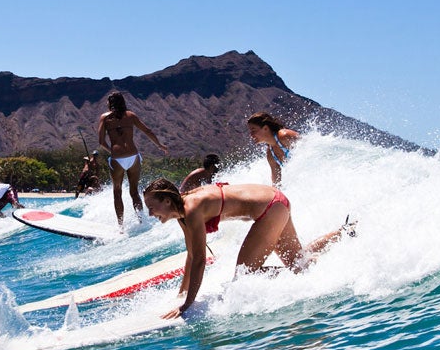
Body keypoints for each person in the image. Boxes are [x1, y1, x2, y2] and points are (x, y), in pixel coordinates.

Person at [143, 178, 348, 319]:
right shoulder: (182, 211)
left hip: (270, 208)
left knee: (245, 275)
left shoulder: (192, 209)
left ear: (167, 201)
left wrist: (187, 304)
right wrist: (183, 293)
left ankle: (318, 271)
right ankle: (346, 232)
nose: (150, 213)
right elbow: (191, 254)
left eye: (151, 207)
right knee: (298, 262)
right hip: (276, 200)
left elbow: (200, 260)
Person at [97, 91, 169, 224]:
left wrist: (112, 151)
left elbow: (101, 141)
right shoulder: (131, 116)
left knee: (117, 192)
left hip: (117, 159)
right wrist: (159, 145)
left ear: (110, 103)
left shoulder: (105, 118)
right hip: (133, 156)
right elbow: (148, 131)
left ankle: (121, 226)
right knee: (134, 192)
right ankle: (141, 222)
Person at [246, 112, 300, 186]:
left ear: (265, 128)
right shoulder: (270, 154)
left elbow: (310, 147)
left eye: (253, 130)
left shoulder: (284, 136)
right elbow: (276, 183)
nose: (251, 135)